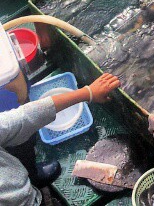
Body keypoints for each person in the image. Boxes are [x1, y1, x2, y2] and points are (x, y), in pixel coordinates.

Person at [0, 72, 121, 206]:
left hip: (13, 174)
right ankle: (34, 194)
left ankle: (31, 176)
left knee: (19, 135)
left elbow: (21, 119)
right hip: (24, 201)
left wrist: (88, 93)